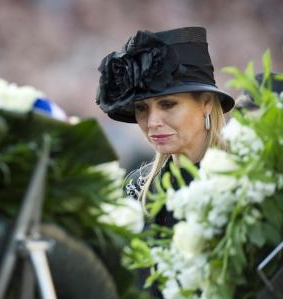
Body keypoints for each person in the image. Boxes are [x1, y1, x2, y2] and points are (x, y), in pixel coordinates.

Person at [95, 26, 235, 227]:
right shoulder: (135, 189)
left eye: (168, 104)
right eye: (141, 108)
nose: (152, 122)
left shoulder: (244, 180)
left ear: (206, 103)